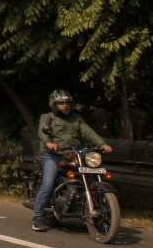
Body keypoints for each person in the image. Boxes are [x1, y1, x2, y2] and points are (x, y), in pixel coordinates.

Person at [32, 90, 112, 232]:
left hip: (75, 155)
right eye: (61, 103)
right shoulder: (48, 117)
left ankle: (93, 210)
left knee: (92, 176)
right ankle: (37, 217)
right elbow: (42, 132)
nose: (65, 105)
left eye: (67, 103)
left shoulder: (76, 118)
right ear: (54, 104)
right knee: (48, 184)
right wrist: (49, 142)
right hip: (54, 155)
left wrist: (102, 144)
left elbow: (88, 132)